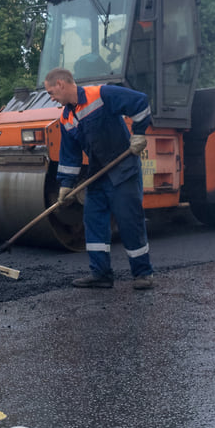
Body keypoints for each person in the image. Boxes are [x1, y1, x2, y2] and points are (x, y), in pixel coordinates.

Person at [44, 68, 156, 291]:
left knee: (129, 222)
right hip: (97, 175)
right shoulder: (66, 118)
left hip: (123, 170)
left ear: (61, 84)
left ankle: (143, 274)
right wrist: (66, 186)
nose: (51, 97)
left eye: (51, 92)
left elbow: (140, 101)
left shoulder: (101, 95)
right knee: (93, 223)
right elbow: (70, 155)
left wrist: (140, 133)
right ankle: (101, 274)